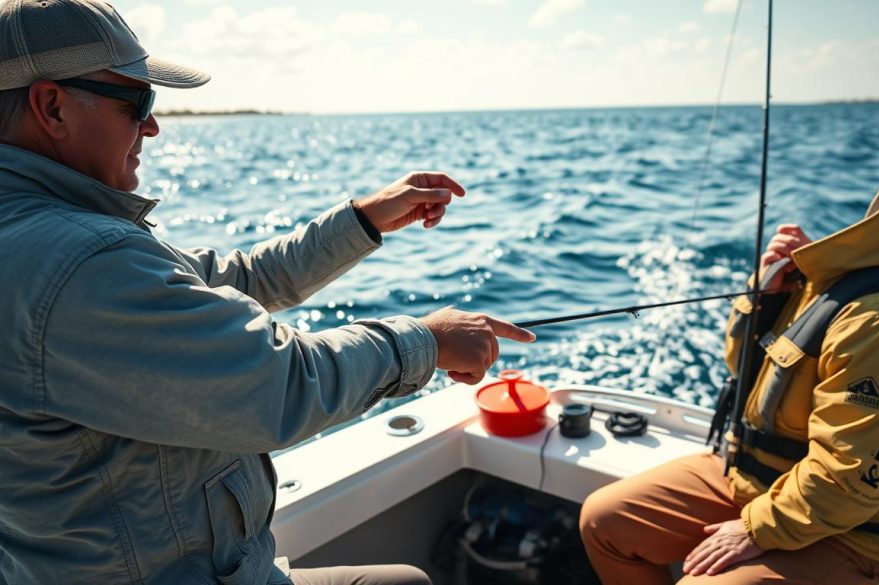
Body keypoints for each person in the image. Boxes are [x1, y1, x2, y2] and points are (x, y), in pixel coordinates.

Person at [0, 1, 534, 583]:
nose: (152, 126)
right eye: (138, 103)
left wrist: (362, 220)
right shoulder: (78, 261)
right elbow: (278, 386)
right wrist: (427, 342)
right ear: (51, 106)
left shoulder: (40, 234)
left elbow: (230, 279)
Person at [579, 170, 879, 584]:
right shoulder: (822, 285)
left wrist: (755, 529)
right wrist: (763, 294)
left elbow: (850, 474)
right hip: (751, 480)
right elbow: (741, 368)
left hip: (849, 529)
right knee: (604, 522)